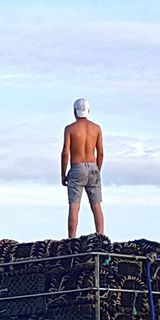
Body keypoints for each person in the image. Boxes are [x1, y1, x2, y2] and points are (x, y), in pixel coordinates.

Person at [61, 98, 105, 238]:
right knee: (96, 205)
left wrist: (63, 173)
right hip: (93, 166)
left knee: (74, 205)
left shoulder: (70, 129)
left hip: (77, 166)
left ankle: (71, 238)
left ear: (75, 111)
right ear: (88, 111)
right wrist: (97, 169)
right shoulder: (96, 128)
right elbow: (101, 152)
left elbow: (65, 152)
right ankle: (101, 237)